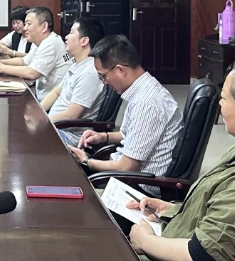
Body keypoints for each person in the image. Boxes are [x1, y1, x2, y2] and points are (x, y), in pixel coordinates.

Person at [128, 56, 235, 261]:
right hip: (172, 237)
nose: (219, 103)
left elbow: (202, 258)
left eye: (225, 98)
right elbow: (227, 209)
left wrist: (144, 241)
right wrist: (171, 210)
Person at [68, 35, 182, 197]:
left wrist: (86, 161)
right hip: (127, 175)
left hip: (138, 186)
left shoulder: (146, 104)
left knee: (68, 177)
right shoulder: (145, 88)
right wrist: (102, 137)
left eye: (103, 76)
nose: (104, 82)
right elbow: (130, 134)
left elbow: (126, 167)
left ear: (120, 70)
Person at [40, 18, 105, 146]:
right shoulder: (77, 65)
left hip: (69, 136)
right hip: (56, 127)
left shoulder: (89, 72)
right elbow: (55, 93)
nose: (66, 37)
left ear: (84, 41)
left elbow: (71, 115)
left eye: (71, 32)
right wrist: (38, 113)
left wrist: (41, 122)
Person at [0, 7, 68, 101]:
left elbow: (32, 73)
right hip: (42, 97)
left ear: (44, 26)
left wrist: (1, 68)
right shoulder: (40, 41)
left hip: (53, 103)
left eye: (29, 24)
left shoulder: (51, 43)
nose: (25, 28)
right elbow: (24, 61)